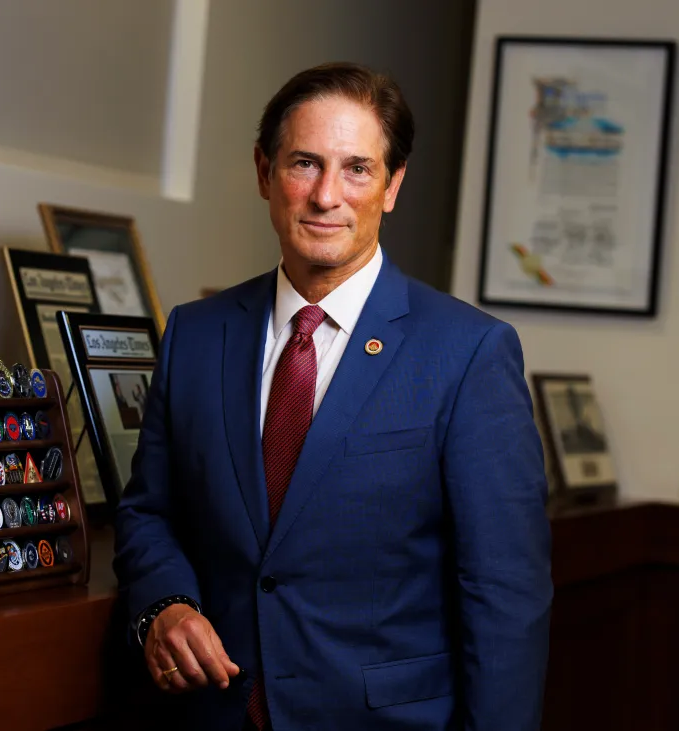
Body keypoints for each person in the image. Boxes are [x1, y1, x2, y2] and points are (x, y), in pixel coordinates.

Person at [113, 62, 553, 731]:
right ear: (264, 172)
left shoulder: (469, 354)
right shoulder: (195, 336)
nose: (326, 196)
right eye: (304, 163)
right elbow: (148, 512)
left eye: (356, 168)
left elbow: (505, 594)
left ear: (392, 185)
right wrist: (164, 604)